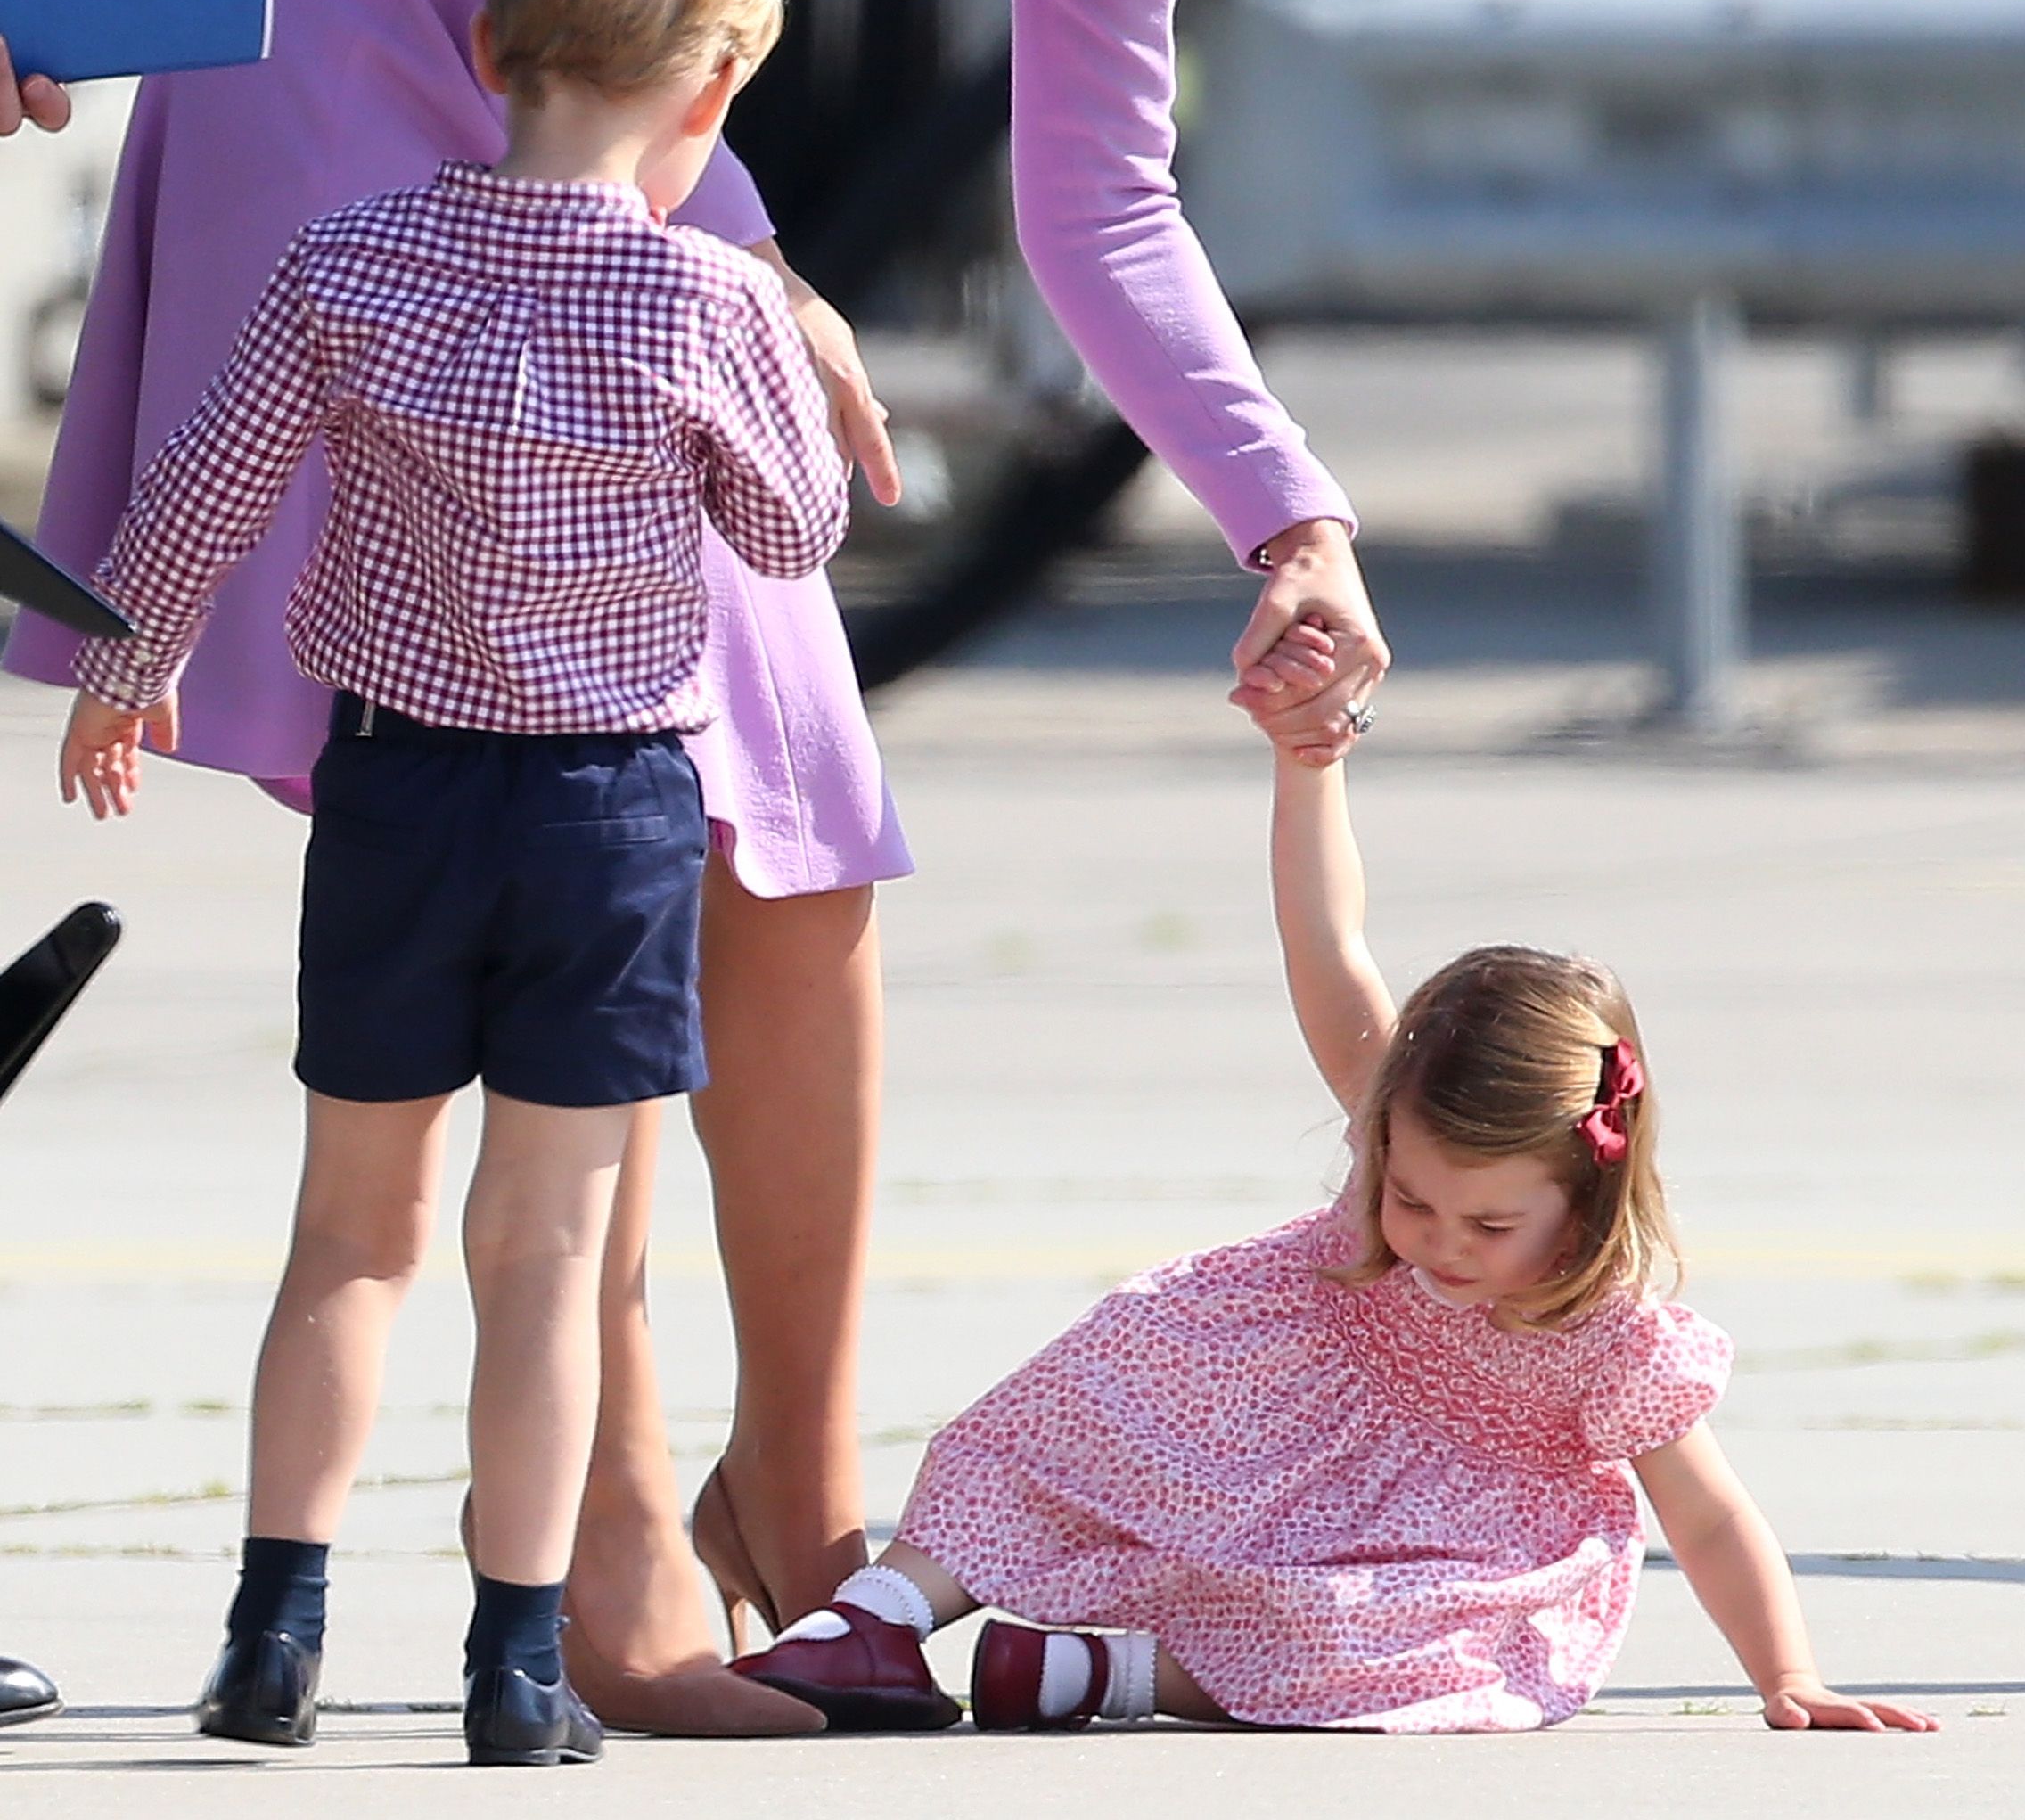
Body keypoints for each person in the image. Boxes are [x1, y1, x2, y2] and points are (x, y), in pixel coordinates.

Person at [11, 0, 1570, 1725]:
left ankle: (798, 1507)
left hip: (646, 193)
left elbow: (1103, 206)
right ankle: (617, 1570)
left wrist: (1297, 518)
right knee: (581, 808)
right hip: (397, 69)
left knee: (800, 826)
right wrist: (744, 284)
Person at [54, 0, 849, 1766]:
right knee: (549, 1256)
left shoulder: (348, 264)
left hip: (396, 796)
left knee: (350, 1238)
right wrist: (789, 384)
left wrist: (127, 664)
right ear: (714, 87)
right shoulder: (700, 312)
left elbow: (206, 486)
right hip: (609, 819)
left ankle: (272, 1628)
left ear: (488, 37)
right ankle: (513, 1666)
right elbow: (790, 528)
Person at [735, 628, 1937, 1740]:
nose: (1439, 1242)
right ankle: (874, 1620)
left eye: (1490, 1222)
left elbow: (1710, 1516)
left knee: (1423, 1641)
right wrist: (1309, 765)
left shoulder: (1616, 1339)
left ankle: (1100, 1674)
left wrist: (1789, 1675)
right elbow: (1329, 941)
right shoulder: (1392, 1125)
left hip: (1430, 1545)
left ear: (1592, 1190)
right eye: (1411, 1199)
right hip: (1263, 1412)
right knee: (1085, 1404)